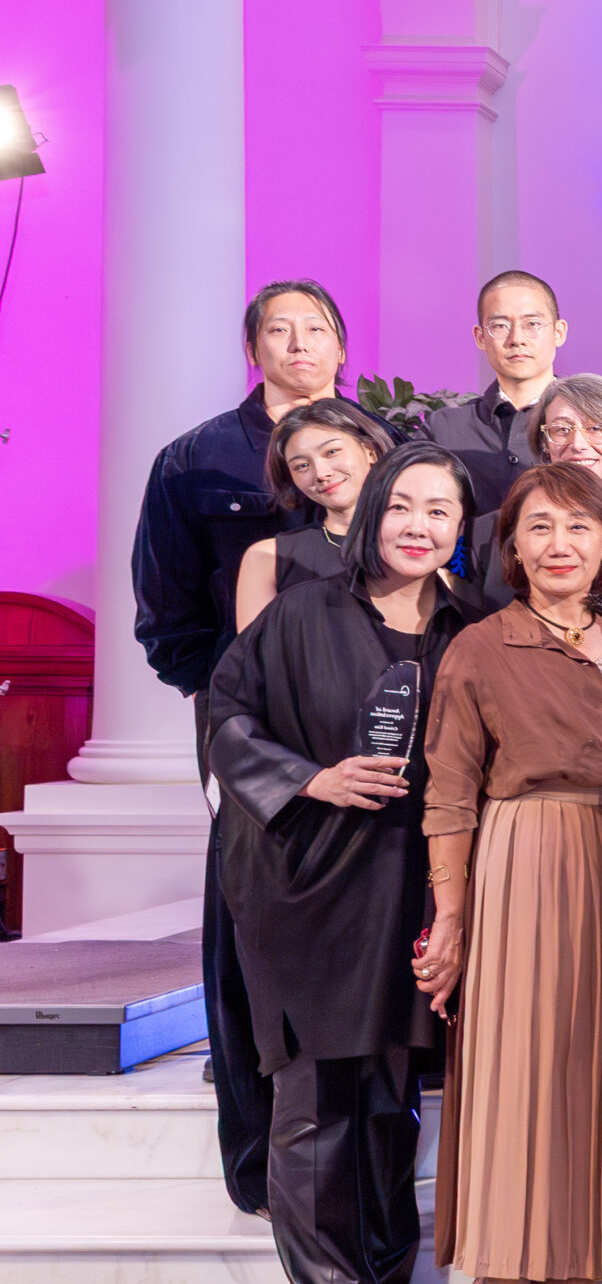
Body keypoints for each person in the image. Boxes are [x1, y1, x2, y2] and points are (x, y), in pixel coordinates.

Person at [206, 444, 485, 1284]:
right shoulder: (303, 612)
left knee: (389, 1099)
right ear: (371, 511)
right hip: (309, 882)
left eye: (440, 510)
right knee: (317, 1100)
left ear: (460, 527)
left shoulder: (468, 626)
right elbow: (226, 717)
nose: (419, 524)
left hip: (415, 884)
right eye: (402, 504)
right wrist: (311, 778)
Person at [136, 278, 395, 1221]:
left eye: (315, 327)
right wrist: (229, 702)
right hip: (251, 724)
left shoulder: (389, 449)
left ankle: (373, 1150)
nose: (298, 343)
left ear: (342, 344)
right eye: (278, 330)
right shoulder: (195, 457)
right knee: (247, 917)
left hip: (374, 722)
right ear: (254, 349)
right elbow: (167, 611)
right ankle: (256, 1154)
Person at [419, 462, 602, 1284]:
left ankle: (557, 1281)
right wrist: (451, 914)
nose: (561, 544)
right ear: (511, 545)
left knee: (588, 1073)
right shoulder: (482, 647)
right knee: (520, 1070)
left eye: (580, 527)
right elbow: (448, 791)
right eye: (540, 526)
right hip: (524, 858)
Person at [470, 375, 602, 623]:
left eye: (596, 428)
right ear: (544, 444)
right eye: (561, 430)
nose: (577, 444)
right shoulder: (490, 530)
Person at [234, 399, 395, 632]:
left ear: (369, 450)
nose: (320, 473)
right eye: (301, 466)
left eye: (332, 452)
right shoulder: (269, 558)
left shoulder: (421, 542)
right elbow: (254, 652)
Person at [424, 270, 570, 512]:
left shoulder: (591, 426)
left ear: (558, 332)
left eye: (532, 324)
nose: (516, 339)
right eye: (500, 326)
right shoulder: (444, 430)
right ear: (480, 337)